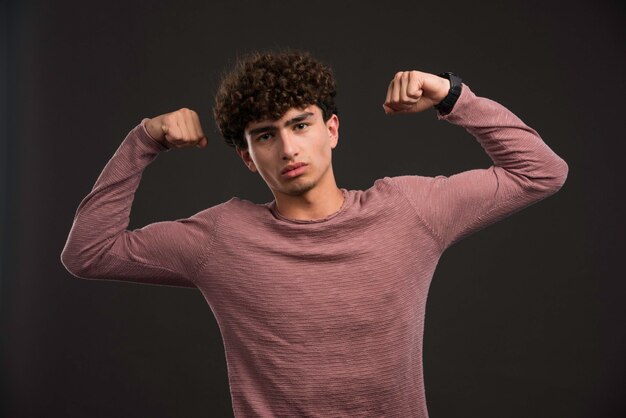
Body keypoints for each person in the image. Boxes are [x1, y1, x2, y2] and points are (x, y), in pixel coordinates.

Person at [61, 50, 568, 417]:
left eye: (300, 125)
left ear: (331, 130)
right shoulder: (222, 237)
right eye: (265, 135)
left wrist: (453, 95)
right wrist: (144, 140)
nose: (287, 148)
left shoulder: (409, 211)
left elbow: (541, 172)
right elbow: (89, 253)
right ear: (248, 156)